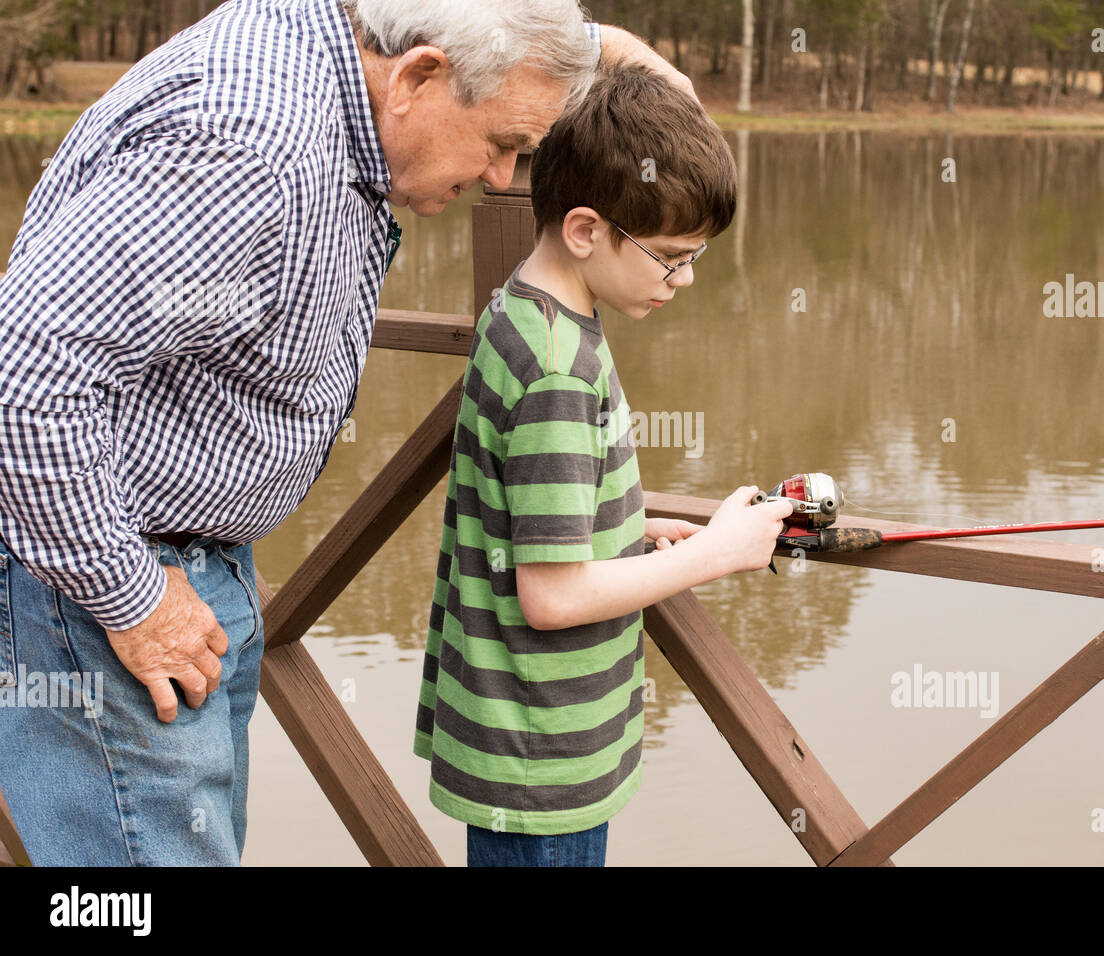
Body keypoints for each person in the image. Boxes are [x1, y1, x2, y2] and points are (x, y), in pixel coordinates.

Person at [0, 0, 691, 866]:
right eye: (503, 142)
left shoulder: (352, 33)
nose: (504, 175)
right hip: (101, 579)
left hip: (190, 563)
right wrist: (133, 600)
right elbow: (24, 381)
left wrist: (616, 57)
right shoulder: (247, 145)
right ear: (419, 78)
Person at [413, 64, 794, 868]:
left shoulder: (523, 311)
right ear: (586, 231)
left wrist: (628, 521)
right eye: (672, 258)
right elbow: (552, 597)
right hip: (543, 761)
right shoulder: (557, 369)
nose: (685, 280)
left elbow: (534, 503)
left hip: (521, 740)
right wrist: (717, 553)